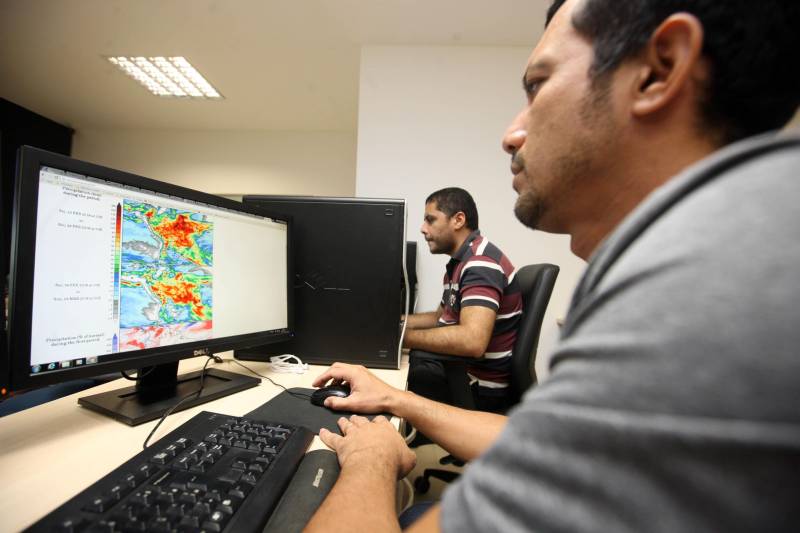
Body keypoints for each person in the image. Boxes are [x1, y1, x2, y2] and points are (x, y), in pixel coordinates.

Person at [305, 0, 800, 531]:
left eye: (537, 85)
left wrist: (373, 459)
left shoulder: (702, 285)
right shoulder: (729, 235)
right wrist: (397, 398)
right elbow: (539, 439)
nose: (511, 134)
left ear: (659, 70)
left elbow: (469, 340)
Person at [404, 187, 521, 413]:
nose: (423, 229)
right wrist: (397, 323)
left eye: (430, 220)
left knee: (390, 382)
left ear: (458, 220)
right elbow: (440, 317)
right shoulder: (461, 263)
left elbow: (472, 340)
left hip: (476, 389)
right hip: (460, 374)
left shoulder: (480, 264)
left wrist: (402, 338)